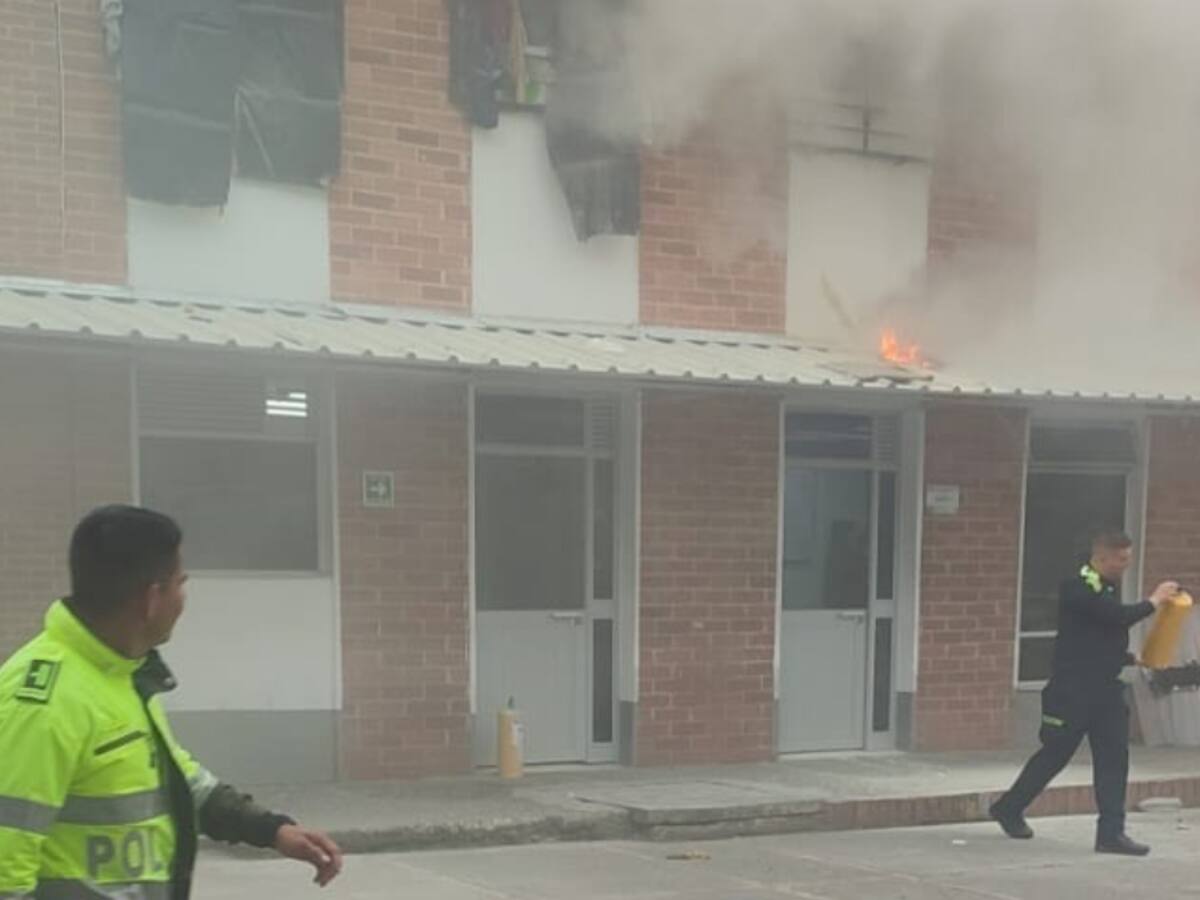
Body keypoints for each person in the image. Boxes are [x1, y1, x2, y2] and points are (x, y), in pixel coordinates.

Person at [0, 505, 344, 898]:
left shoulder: (119, 673)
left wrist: (271, 830)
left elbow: (178, 778)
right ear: (151, 599)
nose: (183, 599)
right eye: (180, 584)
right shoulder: (42, 700)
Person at [989, 530, 1178, 856]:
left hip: (1105, 690)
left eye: (1129, 559)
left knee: (1114, 760)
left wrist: (1130, 658)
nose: (1126, 565)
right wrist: (1155, 600)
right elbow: (1115, 617)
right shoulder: (1077, 587)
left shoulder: (1106, 587)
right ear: (1101, 557)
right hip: (1072, 691)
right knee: (1054, 755)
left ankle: (1111, 834)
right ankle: (1008, 808)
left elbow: (1096, 638)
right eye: (1121, 559)